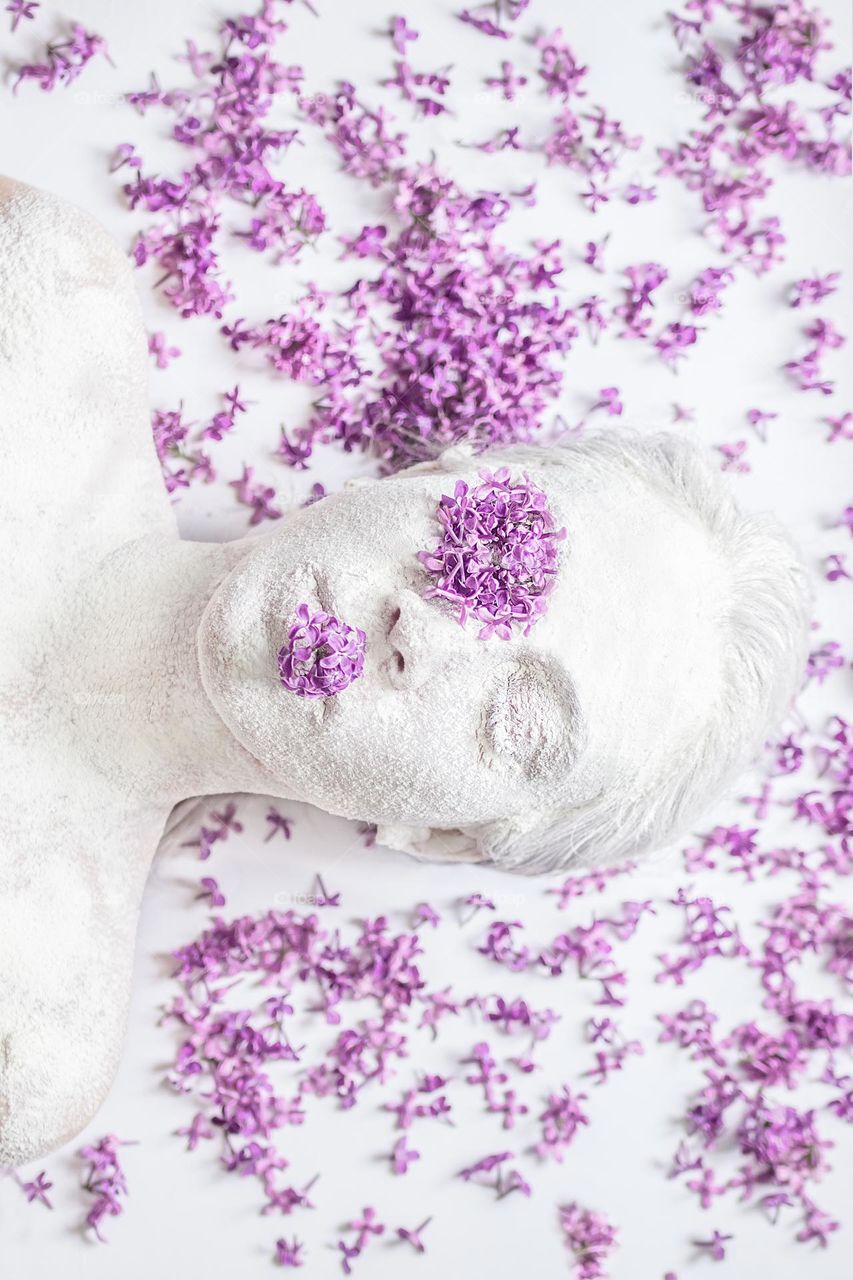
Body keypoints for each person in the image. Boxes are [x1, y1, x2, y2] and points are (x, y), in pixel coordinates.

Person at [0, 177, 811, 1166]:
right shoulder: (37, 296)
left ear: (445, 835)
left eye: (512, 718)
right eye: (498, 542)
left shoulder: (30, 1033)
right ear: (430, 475)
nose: (421, 626)